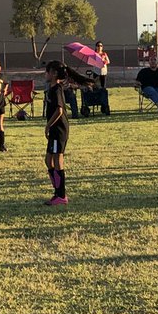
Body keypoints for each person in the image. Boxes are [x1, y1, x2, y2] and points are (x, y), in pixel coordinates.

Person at [41, 60, 94, 205]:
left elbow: (59, 110)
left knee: (57, 160)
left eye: (47, 71)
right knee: (48, 160)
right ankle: (58, 191)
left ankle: (61, 195)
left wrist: (48, 126)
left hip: (59, 129)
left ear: (53, 74)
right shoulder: (52, 88)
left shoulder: (57, 89)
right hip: (54, 129)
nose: (45, 74)